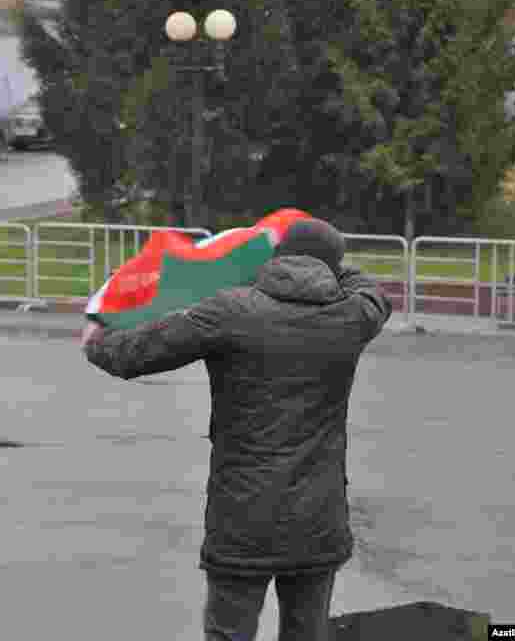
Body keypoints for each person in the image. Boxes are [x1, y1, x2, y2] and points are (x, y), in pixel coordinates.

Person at [81, 218, 392, 641]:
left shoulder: (229, 311)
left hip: (242, 518)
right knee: (308, 633)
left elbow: (141, 352)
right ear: (333, 267)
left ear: (275, 258)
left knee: (229, 634)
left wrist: (96, 343)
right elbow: (373, 291)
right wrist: (334, 266)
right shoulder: (352, 316)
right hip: (319, 519)